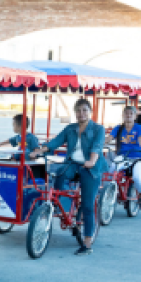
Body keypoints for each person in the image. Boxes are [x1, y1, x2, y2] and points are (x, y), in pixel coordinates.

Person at [30, 98, 108, 256]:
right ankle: (63, 208)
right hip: (73, 164)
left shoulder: (98, 129)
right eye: (78, 110)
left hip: (91, 168)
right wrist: (40, 151)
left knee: (87, 205)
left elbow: (97, 146)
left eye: (85, 110)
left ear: (90, 112)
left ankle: (87, 243)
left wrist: (92, 160)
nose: (81, 113)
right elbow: (55, 142)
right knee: (59, 175)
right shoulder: (70, 129)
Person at [107, 106, 141, 208]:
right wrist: (98, 145)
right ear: (123, 115)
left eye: (131, 114)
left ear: (135, 116)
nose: (128, 115)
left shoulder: (139, 128)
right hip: (122, 157)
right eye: (126, 113)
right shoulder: (118, 128)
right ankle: (110, 192)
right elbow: (109, 138)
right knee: (111, 170)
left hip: (137, 157)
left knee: (136, 177)